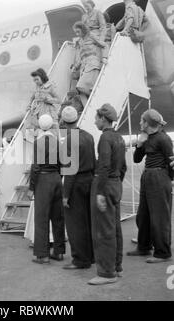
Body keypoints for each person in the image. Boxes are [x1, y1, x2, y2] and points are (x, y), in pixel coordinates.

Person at [127, 110, 174, 263]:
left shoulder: (163, 138)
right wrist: (140, 145)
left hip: (159, 177)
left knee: (160, 217)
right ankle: (144, 246)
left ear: (147, 123)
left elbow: (172, 162)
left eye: (142, 121)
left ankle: (163, 252)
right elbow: (136, 159)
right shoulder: (147, 138)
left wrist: (170, 181)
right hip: (148, 177)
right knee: (143, 215)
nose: (140, 123)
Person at [88, 104, 127, 285]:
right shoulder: (119, 137)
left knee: (103, 230)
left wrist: (101, 192)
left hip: (105, 184)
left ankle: (106, 273)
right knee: (115, 228)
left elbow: (103, 165)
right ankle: (117, 267)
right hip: (116, 183)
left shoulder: (104, 138)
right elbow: (123, 166)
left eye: (96, 118)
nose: (95, 121)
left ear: (103, 119)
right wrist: (116, 182)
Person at [60, 106, 96, 270]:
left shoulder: (68, 140)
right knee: (89, 220)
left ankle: (81, 260)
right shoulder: (89, 137)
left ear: (63, 121)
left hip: (75, 184)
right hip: (89, 180)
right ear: (77, 118)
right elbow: (94, 162)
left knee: (75, 224)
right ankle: (92, 255)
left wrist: (65, 195)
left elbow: (70, 169)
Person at [27, 114, 65, 264]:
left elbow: (35, 166)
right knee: (58, 217)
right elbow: (63, 164)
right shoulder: (57, 142)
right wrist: (58, 178)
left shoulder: (38, 142)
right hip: (56, 178)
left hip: (43, 180)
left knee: (42, 218)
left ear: (40, 127)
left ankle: (42, 255)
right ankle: (59, 251)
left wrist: (31, 187)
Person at [72, 22, 106, 108]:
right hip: (84, 67)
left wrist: (104, 57)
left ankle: (95, 97)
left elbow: (103, 45)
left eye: (78, 31)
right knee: (80, 91)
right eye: (75, 32)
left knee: (80, 87)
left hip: (92, 64)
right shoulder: (80, 41)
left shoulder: (91, 35)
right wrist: (75, 67)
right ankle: (88, 107)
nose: (77, 34)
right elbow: (80, 56)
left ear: (83, 30)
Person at [25, 68, 61, 135]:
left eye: (37, 79)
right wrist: (29, 105)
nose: (36, 82)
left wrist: (48, 100)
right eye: (34, 80)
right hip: (37, 112)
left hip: (49, 112)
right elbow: (32, 97)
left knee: (52, 131)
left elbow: (59, 100)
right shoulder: (37, 87)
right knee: (38, 131)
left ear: (42, 77)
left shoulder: (51, 87)